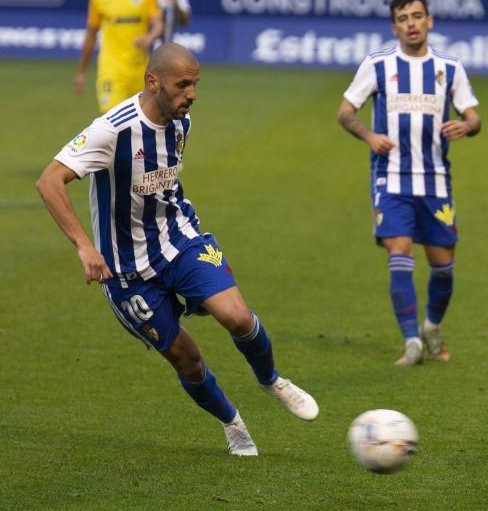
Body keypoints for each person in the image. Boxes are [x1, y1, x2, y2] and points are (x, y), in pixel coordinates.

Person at [38, 44, 318, 456]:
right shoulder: (111, 130)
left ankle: (272, 379)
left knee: (237, 317)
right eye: (183, 84)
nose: (192, 94)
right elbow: (49, 181)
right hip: (126, 270)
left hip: (180, 240)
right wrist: (85, 246)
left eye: (196, 84)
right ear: (153, 82)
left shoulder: (180, 122)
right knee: (188, 361)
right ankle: (233, 424)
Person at [337, 0, 482, 366]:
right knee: (398, 251)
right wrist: (370, 136)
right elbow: (345, 113)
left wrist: (466, 124)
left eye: (417, 16)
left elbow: (474, 117)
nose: (411, 23)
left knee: (443, 264)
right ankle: (411, 341)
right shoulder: (378, 64)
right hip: (391, 178)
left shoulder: (449, 68)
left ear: (429, 21)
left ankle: (432, 326)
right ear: (394, 26)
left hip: (435, 180)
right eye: (403, 18)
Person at [74, 0, 162, 112]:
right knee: (114, 124)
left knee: (141, 126)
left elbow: (158, 24)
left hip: (140, 71)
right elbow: (91, 35)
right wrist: (81, 72)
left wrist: (150, 37)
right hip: (111, 71)